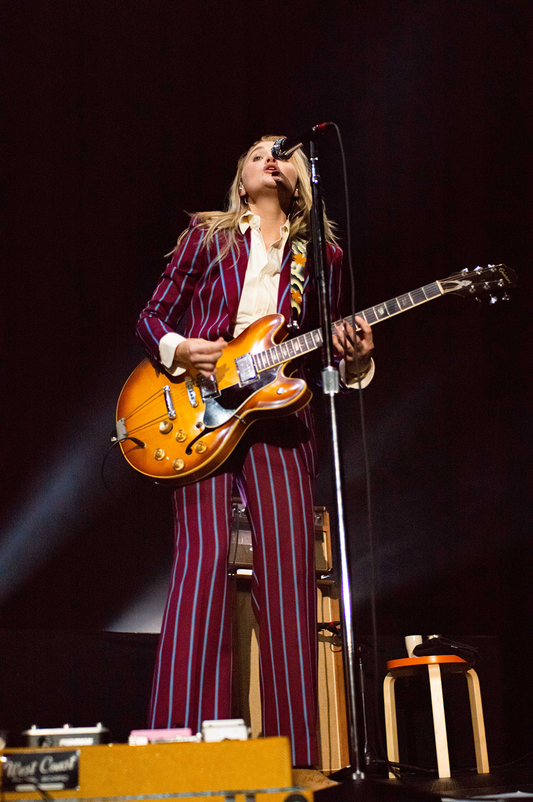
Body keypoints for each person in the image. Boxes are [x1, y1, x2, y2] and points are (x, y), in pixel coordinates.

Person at [136, 135, 374, 768]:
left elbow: (323, 347)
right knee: (204, 561)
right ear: (242, 179)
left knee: (291, 577)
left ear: (298, 178)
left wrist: (356, 355)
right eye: (258, 151)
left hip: (278, 415)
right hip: (202, 412)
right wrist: (183, 350)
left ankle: (296, 760)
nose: (273, 155)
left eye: (282, 151)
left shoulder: (321, 256)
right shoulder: (205, 236)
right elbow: (151, 318)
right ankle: (177, 754)